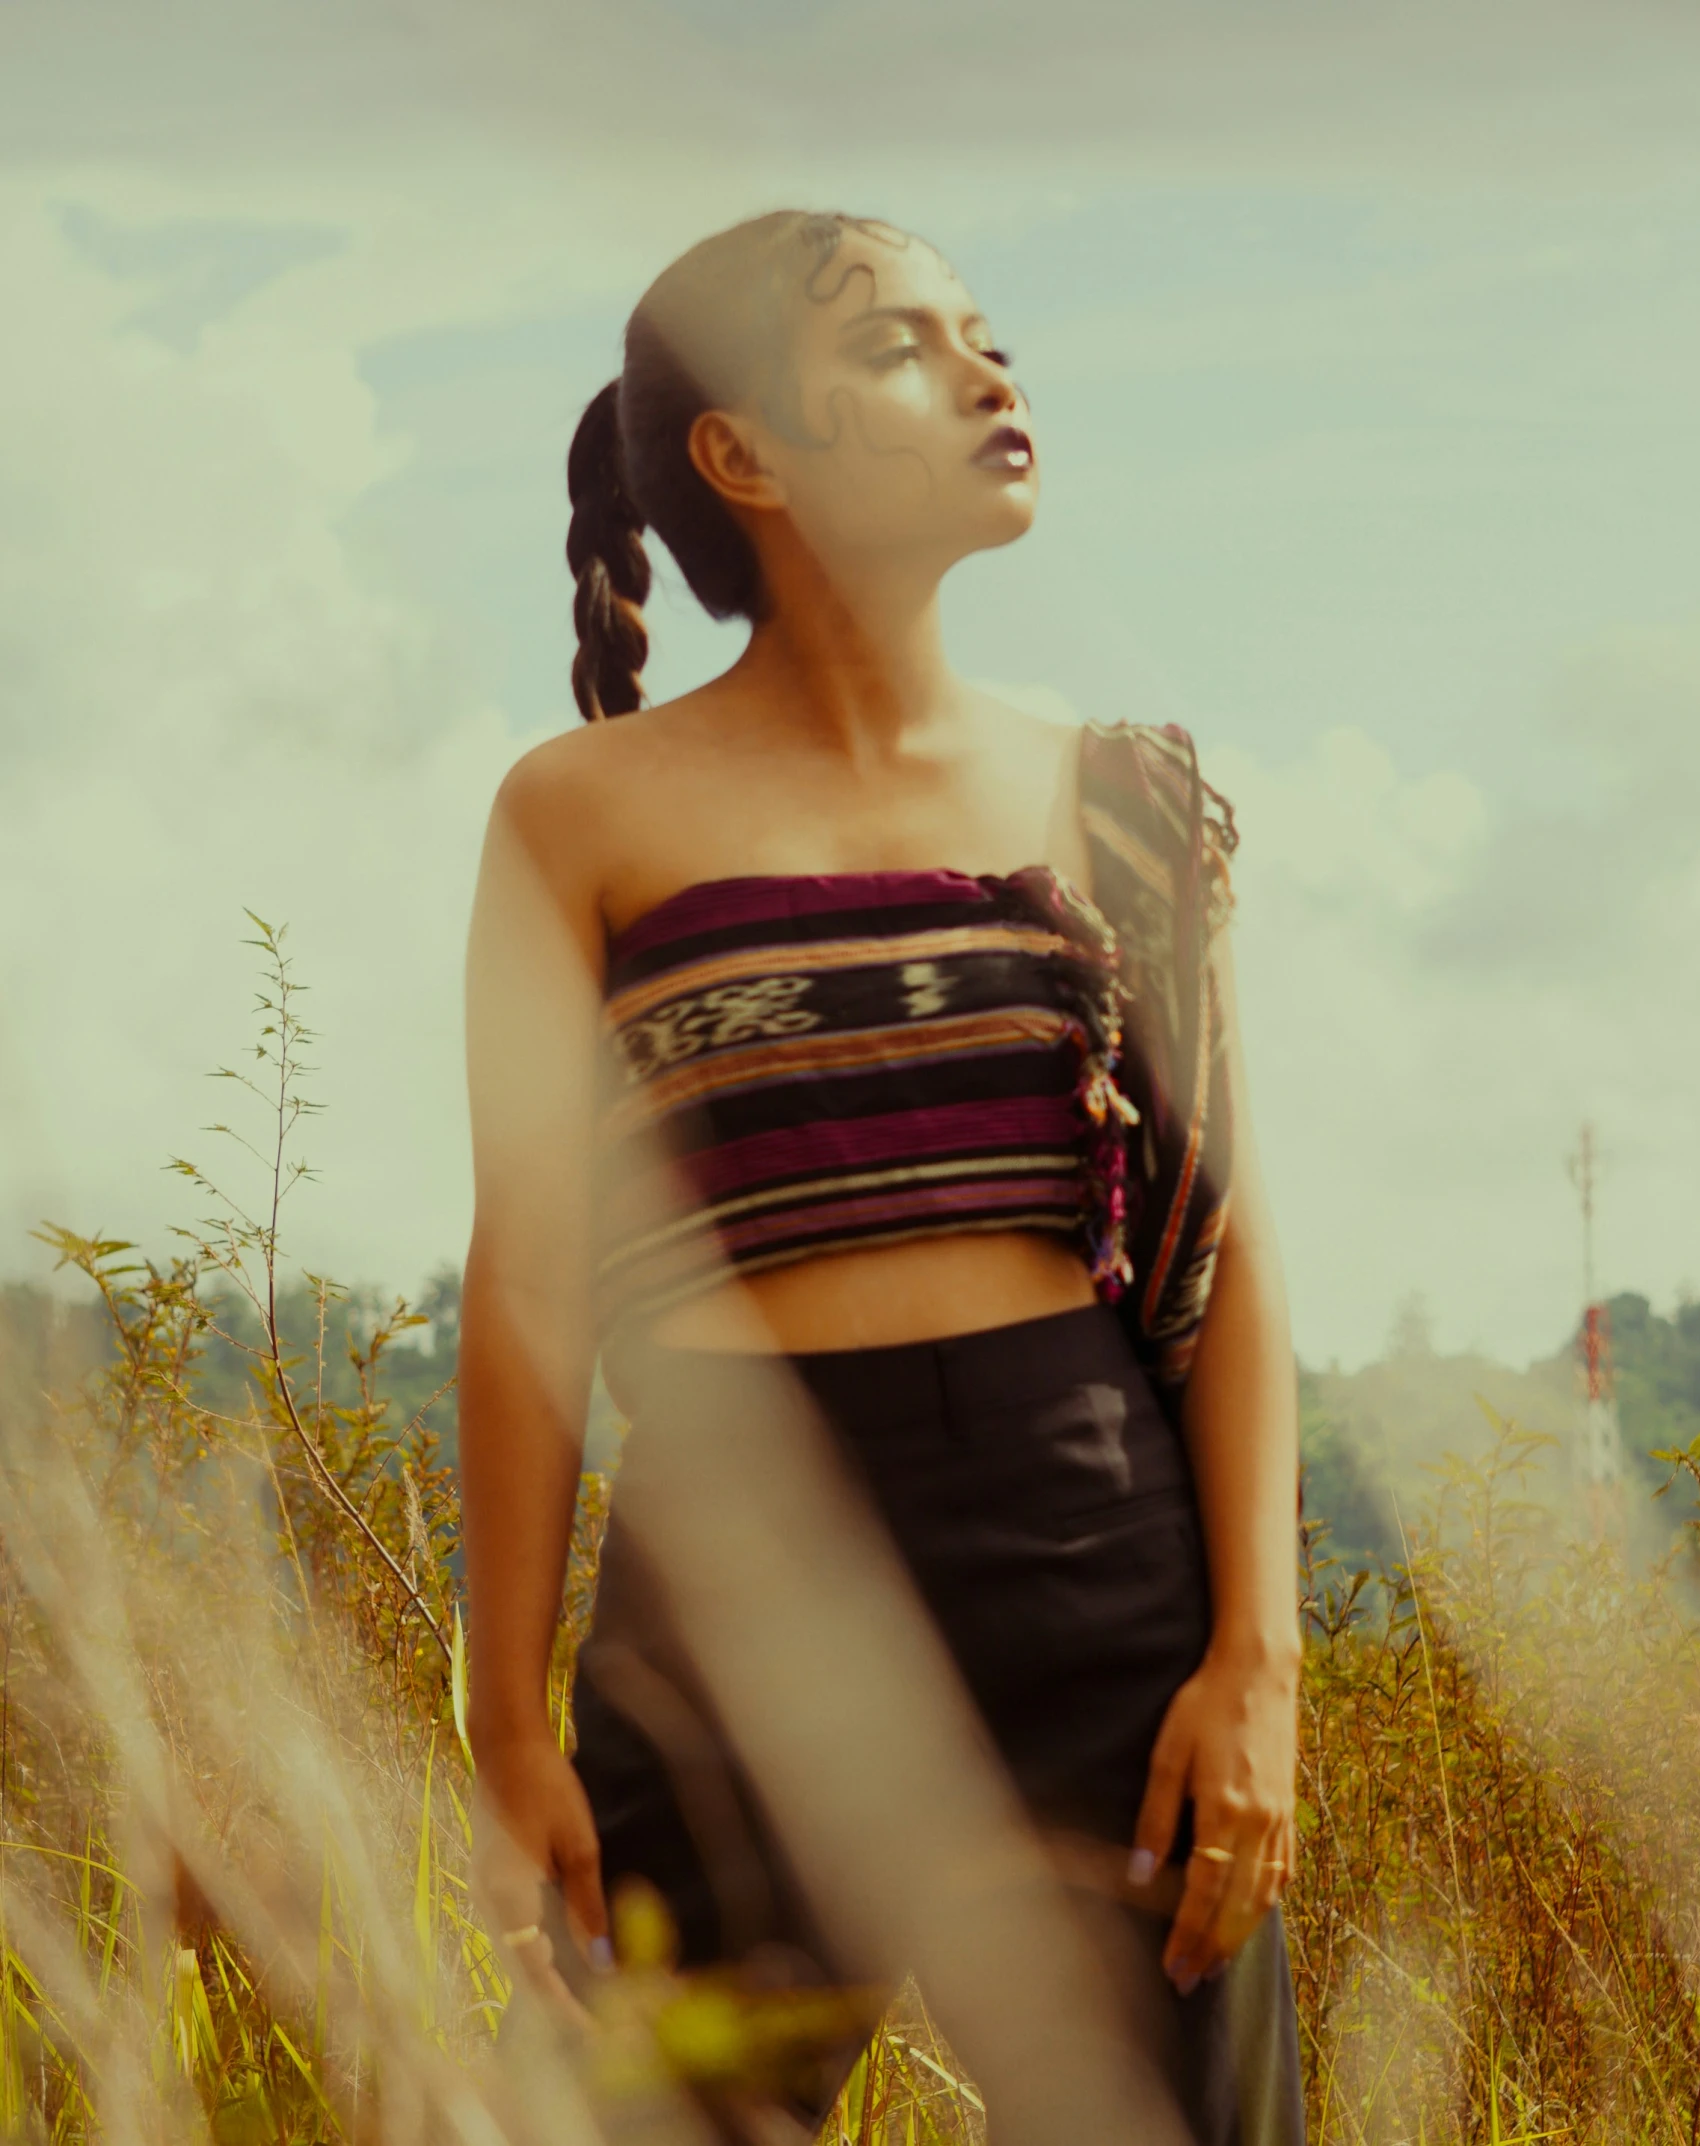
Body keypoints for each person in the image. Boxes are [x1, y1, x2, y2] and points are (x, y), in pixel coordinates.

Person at [458, 210, 1306, 2143]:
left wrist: (1255, 1660)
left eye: (988, 334)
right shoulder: (578, 810)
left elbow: (1231, 1253)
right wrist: (506, 1722)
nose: (992, 374)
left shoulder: (1124, 796)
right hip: (733, 1576)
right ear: (740, 455)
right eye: (904, 349)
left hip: (1093, 1543)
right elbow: (525, 1287)